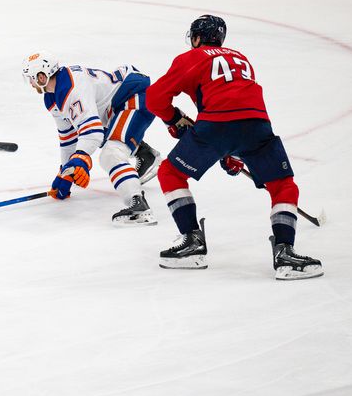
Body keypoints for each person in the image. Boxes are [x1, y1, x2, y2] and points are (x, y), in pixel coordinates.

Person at [146, 15, 322, 280]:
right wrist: (232, 151)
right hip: (257, 124)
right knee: (283, 184)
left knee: (170, 173)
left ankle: (192, 241)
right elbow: (238, 108)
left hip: (216, 124)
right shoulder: (240, 58)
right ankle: (286, 251)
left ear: (196, 38)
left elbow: (154, 98)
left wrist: (173, 119)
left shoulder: (192, 57)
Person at [22, 52, 161, 225]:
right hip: (115, 106)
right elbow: (68, 136)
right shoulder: (52, 97)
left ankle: (139, 205)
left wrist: (80, 158)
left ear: (42, 76)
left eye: (31, 79)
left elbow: (93, 131)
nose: (30, 84)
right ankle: (146, 156)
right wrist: (66, 171)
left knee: (111, 153)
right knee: (91, 137)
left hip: (133, 95)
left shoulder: (72, 87)